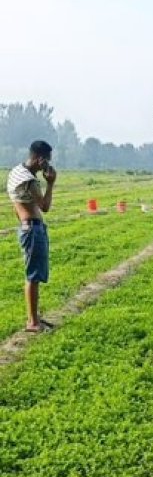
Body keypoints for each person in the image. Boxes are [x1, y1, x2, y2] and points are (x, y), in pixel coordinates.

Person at [6, 139, 57, 333]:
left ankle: (33, 317)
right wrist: (50, 183)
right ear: (40, 159)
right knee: (33, 276)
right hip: (33, 228)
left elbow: (15, 207)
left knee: (33, 274)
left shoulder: (15, 172)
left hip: (27, 226)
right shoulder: (28, 179)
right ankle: (33, 323)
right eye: (48, 161)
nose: (49, 166)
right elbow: (44, 206)